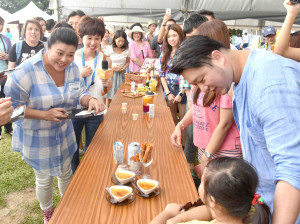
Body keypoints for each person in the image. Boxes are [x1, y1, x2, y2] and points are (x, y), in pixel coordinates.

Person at [170, 35, 300, 223]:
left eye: (202, 79)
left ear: (218, 57)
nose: (203, 89)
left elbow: (293, 170)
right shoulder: (241, 77)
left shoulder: (269, 84)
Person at [4, 27, 105, 224]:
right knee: (44, 179)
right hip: (37, 137)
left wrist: (90, 99)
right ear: (47, 47)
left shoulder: (73, 69)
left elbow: (79, 93)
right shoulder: (26, 71)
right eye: (59, 53)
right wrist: (44, 114)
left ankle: (68, 210)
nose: (64, 60)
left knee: (66, 173)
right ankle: (48, 216)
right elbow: (12, 108)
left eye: (69, 55)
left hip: (64, 134)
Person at [172, 19, 242, 178]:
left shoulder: (222, 81)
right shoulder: (201, 77)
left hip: (225, 150)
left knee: (222, 195)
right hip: (205, 144)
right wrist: (180, 125)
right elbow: (195, 109)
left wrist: (207, 155)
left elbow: (225, 123)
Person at [151, 157, 270, 224]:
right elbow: (210, 210)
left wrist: (167, 213)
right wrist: (178, 218)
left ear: (213, 200)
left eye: (202, 181)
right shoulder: (251, 211)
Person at [72, 16, 112, 174]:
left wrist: (108, 86)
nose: (93, 42)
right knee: (72, 148)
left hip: (96, 110)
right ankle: (74, 178)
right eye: (89, 38)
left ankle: (90, 176)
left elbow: (104, 90)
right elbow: (65, 85)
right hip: (74, 109)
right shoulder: (72, 57)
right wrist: (79, 75)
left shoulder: (104, 60)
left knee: (93, 147)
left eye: (97, 38)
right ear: (82, 37)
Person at [159, 24, 187, 145]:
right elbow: (162, 75)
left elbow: (188, 74)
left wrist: (181, 93)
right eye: (169, 36)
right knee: (172, 120)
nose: (172, 39)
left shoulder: (185, 53)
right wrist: (168, 92)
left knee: (183, 122)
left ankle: (185, 148)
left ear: (180, 36)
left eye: (174, 35)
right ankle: (175, 144)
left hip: (184, 90)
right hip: (169, 90)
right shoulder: (164, 54)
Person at [104, 30, 130, 107]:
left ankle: (119, 109)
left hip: (121, 73)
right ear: (114, 40)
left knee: (121, 92)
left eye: (122, 41)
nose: (120, 43)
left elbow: (128, 62)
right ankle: (107, 109)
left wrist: (123, 68)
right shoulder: (109, 48)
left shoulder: (127, 50)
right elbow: (105, 61)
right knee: (109, 92)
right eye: (118, 41)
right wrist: (112, 67)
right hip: (111, 73)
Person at [0, 16, 12, 138]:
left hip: (4, 73)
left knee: (6, 99)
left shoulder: (6, 39)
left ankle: (8, 127)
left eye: (2, 24)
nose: (1, 27)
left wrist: (6, 56)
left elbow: (11, 55)